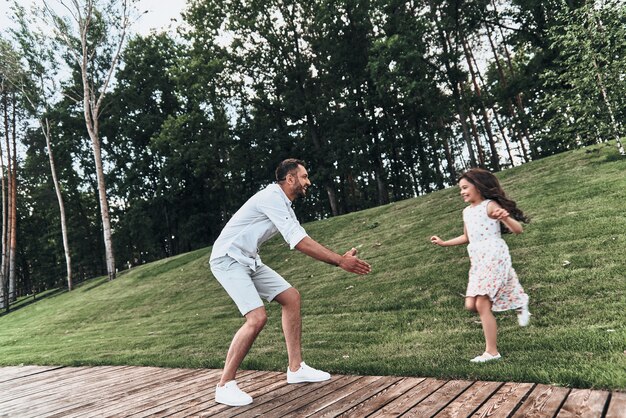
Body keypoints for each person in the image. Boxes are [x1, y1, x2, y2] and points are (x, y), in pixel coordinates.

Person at [209, 158, 371, 406]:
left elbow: (299, 237)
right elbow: (298, 241)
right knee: (257, 318)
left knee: (291, 298)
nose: (309, 181)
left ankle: (296, 369)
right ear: (290, 179)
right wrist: (340, 261)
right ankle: (225, 385)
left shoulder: (284, 205)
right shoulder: (272, 197)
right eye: (304, 176)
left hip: (249, 260)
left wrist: (338, 259)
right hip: (227, 259)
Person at [430, 168, 530, 363]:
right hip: (477, 258)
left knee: (482, 303)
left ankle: (491, 352)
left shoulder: (489, 205)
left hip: (494, 254)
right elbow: (467, 237)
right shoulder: (466, 212)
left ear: (478, 186)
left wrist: (504, 217)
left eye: (465, 187)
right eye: (460, 189)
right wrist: (444, 242)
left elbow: (518, 230)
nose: (462, 192)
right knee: (470, 304)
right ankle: (520, 301)